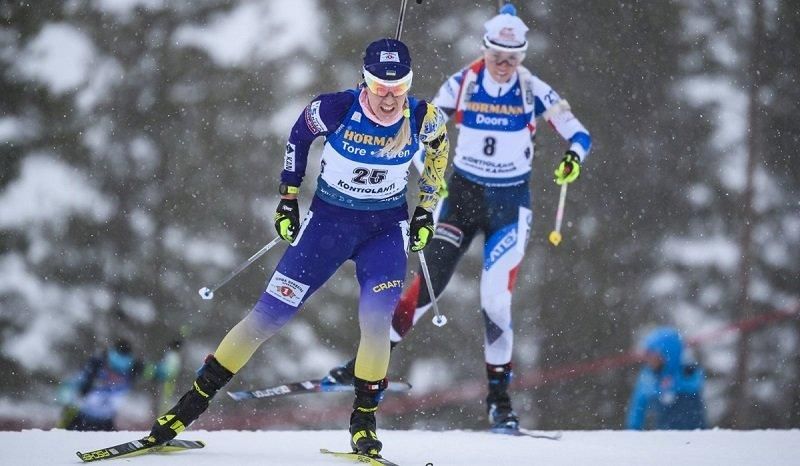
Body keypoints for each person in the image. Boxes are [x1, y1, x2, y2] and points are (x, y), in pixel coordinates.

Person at [142, 38, 449, 458]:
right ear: (365, 82)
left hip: (384, 232)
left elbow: (438, 153)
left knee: (376, 325)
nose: (390, 98)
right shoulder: (335, 109)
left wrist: (426, 210)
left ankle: (363, 425)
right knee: (265, 319)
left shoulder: (423, 117)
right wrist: (287, 198)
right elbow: (298, 136)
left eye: (399, 88)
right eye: (380, 88)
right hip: (327, 227)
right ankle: (186, 409)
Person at [324, 6, 592, 433]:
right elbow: (414, 132)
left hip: (510, 206)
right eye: (496, 56)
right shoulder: (463, 82)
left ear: (522, 57)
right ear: (485, 51)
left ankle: (500, 401)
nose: (503, 66)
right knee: (425, 286)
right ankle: (364, 364)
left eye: (513, 58)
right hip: (462, 200)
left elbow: (579, 133)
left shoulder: (532, 89)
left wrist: (573, 158)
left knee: (495, 301)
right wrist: (431, 177)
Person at [57, 338, 180, 431]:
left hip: (106, 423)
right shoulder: (96, 365)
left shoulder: (134, 367)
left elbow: (164, 373)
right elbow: (69, 386)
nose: (117, 373)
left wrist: (173, 354)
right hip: (78, 419)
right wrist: (69, 399)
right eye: (114, 369)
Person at [626, 327, 706, 430]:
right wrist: (633, 428)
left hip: (694, 432)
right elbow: (637, 406)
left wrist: (672, 385)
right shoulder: (648, 376)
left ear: (668, 354)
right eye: (648, 355)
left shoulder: (687, 370)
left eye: (654, 355)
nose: (650, 359)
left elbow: (696, 384)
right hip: (664, 435)